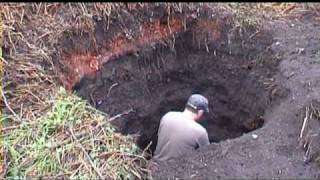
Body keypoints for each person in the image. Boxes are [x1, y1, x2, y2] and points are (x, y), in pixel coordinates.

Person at [153, 94, 210, 161]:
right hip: (176, 169)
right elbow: (207, 155)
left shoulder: (167, 116)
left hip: (154, 165)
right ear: (200, 112)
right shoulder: (200, 131)